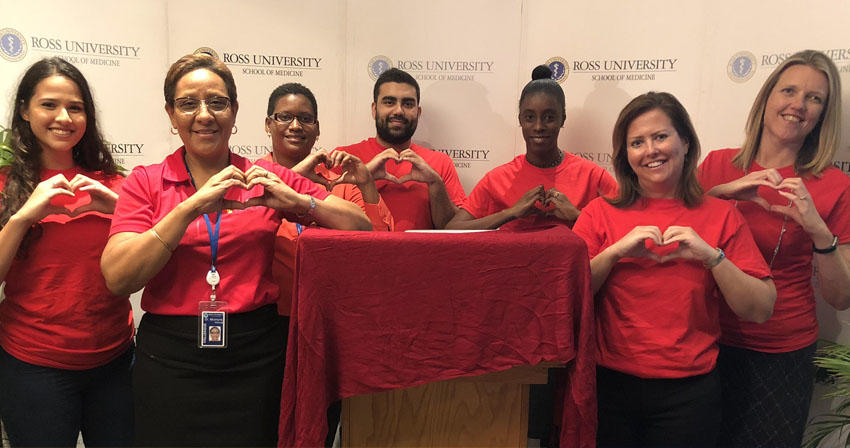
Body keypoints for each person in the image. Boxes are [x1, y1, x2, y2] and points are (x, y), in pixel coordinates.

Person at [100, 54, 370, 447]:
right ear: (171, 116)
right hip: (171, 361)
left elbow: (360, 227)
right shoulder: (146, 181)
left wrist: (299, 199)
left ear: (235, 111)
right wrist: (190, 207)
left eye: (217, 102)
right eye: (188, 104)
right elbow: (117, 277)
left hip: (257, 357)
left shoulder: (266, 176)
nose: (204, 115)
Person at [571, 92, 776, 447]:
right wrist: (615, 252)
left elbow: (760, 308)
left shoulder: (721, 215)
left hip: (690, 395)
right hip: (611, 387)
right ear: (625, 155)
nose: (650, 150)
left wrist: (712, 257)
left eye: (660, 136)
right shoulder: (598, 213)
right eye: (637, 142)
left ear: (685, 141)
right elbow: (567, 296)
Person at [697, 49, 850, 448]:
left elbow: (841, 296)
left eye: (814, 98)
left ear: (822, 114)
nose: (798, 105)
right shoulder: (715, 165)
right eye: (789, 91)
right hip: (702, 341)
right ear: (767, 97)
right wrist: (718, 194)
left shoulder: (835, 186)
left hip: (780, 353)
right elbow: (673, 241)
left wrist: (818, 230)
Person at [0, 57, 134, 447]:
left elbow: (151, 260)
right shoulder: (6, 185)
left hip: (116, 360)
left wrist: (119, 210)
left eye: (75, 108)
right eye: (49, 105)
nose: (64, 117)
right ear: (25, 110)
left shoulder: (116, 185)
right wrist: (24, 216)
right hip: (33, 366)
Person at [262, 82, 393, 316]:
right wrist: (291, 178)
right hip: (270, 315)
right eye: (284, 117)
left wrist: (366, 183)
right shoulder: (253, 180)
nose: (295, 126)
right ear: (268, 125)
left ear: (317, 128)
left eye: (305, 118)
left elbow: (381, 247)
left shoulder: (340, 183)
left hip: (333, 312)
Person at [447, 65, 616, 230]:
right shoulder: (497, 179)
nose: (538, 126)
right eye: (529, 117)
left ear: (562, 119)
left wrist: (577, 216)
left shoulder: (592, 176)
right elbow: (453, 228)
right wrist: (510, 213)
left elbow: (625, 231)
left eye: (549, 117)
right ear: (520, 119)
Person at [333, 68, 466, 231]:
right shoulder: (346, 159)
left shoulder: (440, 163)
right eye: (389, 102)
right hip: (359, 255)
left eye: (408, 104)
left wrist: (435, 183)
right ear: (374, 109)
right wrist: (363, 178)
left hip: (420, 256)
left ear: (418, 112)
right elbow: (321, 218)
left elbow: (454, 230)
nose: (398, 111)